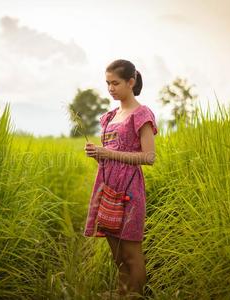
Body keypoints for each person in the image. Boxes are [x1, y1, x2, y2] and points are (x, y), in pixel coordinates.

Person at [83, 59, 158, 299]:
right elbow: (111, 156)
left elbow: (149, 157)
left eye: (115, 83)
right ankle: (122, 293)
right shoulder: (109, 117)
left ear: (131, 82)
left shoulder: (141, 114)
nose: (111, 88)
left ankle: (135, 296)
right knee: (116, 254)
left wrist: (108, 153)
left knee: (130, 253)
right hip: (107, 185)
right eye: (107, 83)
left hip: (130, 189)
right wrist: (98, 155)